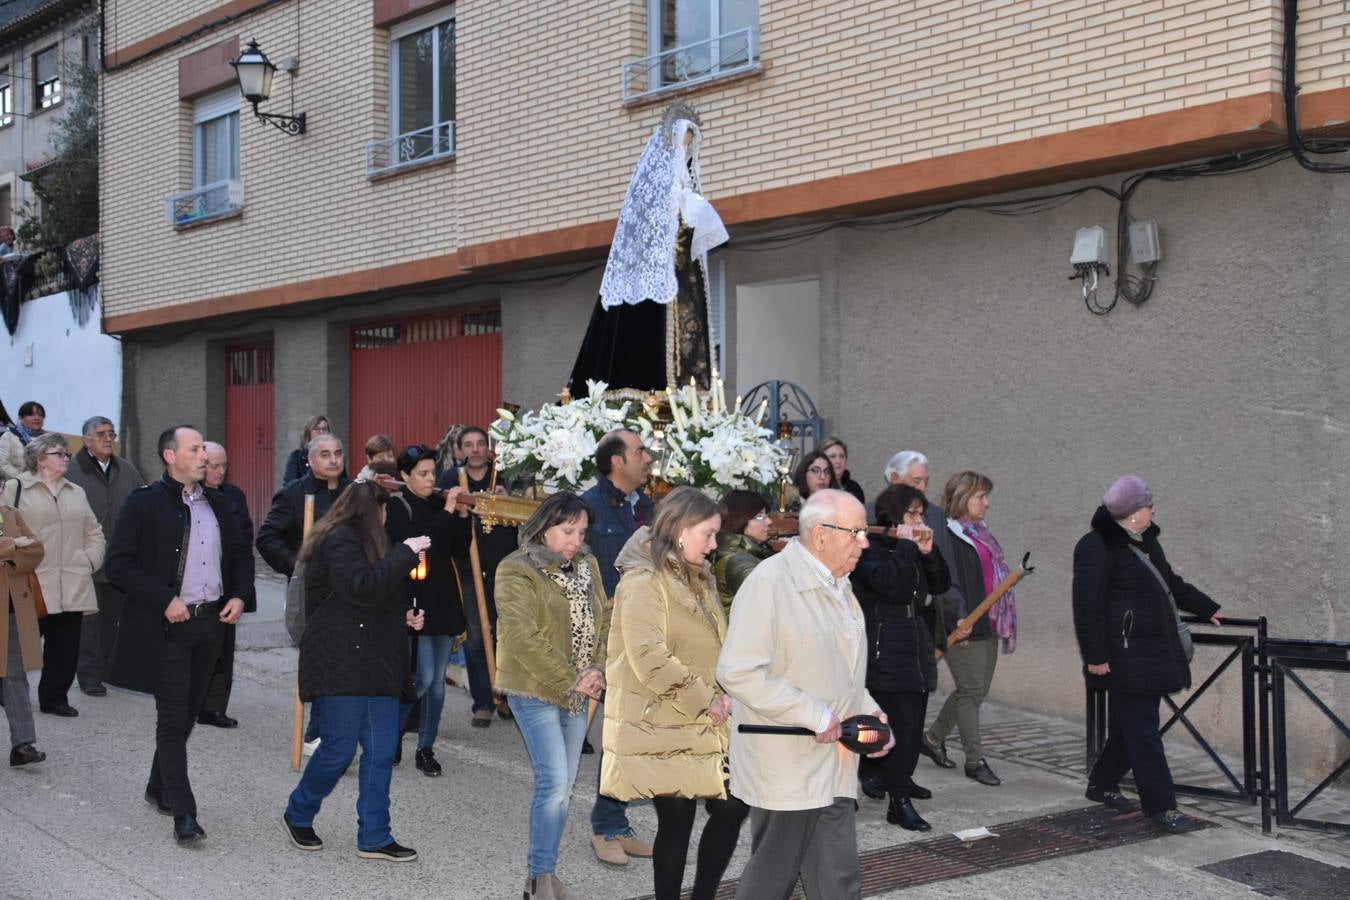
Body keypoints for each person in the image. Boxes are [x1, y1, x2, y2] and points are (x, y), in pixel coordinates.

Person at [717, 489, 893, 900]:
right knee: (770, 880)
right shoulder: (770, 583)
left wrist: (872, 714)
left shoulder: (841, 587)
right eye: (856, 532)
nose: (864, 542)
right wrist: (814, 715)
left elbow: (841, 673)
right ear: (820, 535)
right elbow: (737, 671)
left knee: (838, 879)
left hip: (834, 760)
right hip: (787, 761)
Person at [105, 426, 254, 845]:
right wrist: (163, 600)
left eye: (205, 448)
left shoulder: (221, 503)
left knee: (188, 713)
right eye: (195, 449)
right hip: (169, 626)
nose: (204, 455)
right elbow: (119, 564)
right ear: (171, 456)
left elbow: (243, 554)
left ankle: (157, 785)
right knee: (172, 719)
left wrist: (241, 595)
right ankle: (184, 814)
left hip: (211, 625)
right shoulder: (145, 504)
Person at [601, 487, 748, 900]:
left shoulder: (695, 574)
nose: (715, 544)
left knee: (733, 805)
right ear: (682, 530)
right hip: (663, 718)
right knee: (677, 818)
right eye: (709, 534)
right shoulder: (643, 579)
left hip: (705, 719)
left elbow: (715, 642)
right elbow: (648, 655)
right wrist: (706, 698)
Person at [282, 481, 430, 862]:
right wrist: (404, 553)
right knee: (339, 748)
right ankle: (298, 812)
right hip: (341, 660)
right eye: (383, 512)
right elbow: (360, 589)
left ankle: (375, 836)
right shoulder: (339, 539)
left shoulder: (361, 542)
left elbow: (372, 598)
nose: (386, 520)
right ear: (372, 511)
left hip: (375, 662)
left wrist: (404, 617)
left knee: (381, 752)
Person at [1073, 475, 1222, 831]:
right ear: (1134, 512)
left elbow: (1170, 583)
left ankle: (1102, 783)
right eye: (1148, 505)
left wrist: (1207, 608)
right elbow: (1087, 605)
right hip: (1123, 655)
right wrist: (1095, 656)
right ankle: (1161, 807)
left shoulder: (1147, 543)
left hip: (1152, 651)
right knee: (1144, 733)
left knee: (1131, 727)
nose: (1153, 510)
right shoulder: (1096, 546)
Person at [495, 492, 611, 900]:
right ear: (544, 526)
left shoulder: (588, 565)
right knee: (554, 782)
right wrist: (571, 677)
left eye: (581, 532)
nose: (575, 540)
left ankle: (544, 873)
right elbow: (519, 634)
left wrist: (597, 667)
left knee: (564, 787)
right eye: (567, 531)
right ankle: (539, 877)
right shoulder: (516, 569)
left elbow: (604, 617)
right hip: (535, 688)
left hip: (578, 692)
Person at [852, 484, 951, 831]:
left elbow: (940, 585)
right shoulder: (870, 546)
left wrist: (929, 552)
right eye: (912, 513)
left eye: (921, 513)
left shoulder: (910, 547)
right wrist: (908, 546)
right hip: (884, 646)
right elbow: (888, 584)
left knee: (912, 725)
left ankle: (899, 783)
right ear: (894, 514)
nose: (919, 519)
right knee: (893, 724)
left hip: (916, 643)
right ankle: (896, 798)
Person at [579, 428, 654, 865]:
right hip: (601, 640)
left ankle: (614, 822)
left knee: (628, 734)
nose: (648, 457)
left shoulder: (645, 506)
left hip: (640, 635)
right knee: (600, 736)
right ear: (616, 462)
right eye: (640, 451)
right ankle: (604, 827)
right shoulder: (587, 507)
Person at [257, 432, 350, 752]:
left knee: (345, 665)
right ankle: (316, 733)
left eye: (338, 453)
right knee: (322, 664)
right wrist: (296, 566)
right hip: (313, 596)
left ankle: (333, 731)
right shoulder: (295, 494)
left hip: (350, 592)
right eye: (325, 455)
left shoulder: (354, 494)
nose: (334, 460)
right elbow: (267, 537)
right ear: (309, 460)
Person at [4, 433, 105, 718]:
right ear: (40, 459)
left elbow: (93, 531)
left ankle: (54, 698)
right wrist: (18, 553)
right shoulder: (16, 488)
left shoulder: (76, 491)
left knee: (64, 647)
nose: (65, 458)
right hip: (32, 581)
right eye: (59, 453)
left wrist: (89, 560)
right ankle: (8, 693)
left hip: (72, 580)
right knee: (20, 646)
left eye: (66, 454)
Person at [921, 470, 1011, 787]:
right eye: (980, 497)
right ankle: (976, 761)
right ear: (962, 498)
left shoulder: (979, 531)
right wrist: (958, 618)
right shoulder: (947, 534)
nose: (986, 503)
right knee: (972, 692)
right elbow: (945, 583)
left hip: (986, 620)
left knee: (973, 690)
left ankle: (932, 739)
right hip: (960, 623)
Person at [384, 444, 468, 775]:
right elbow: (422, 547)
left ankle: (425, 748)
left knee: (436, 684)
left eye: (433, 472)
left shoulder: (438, 503)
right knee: (421, 678)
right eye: (422, 474)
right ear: (404, 476)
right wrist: (448, 512)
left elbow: (459, 549)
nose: (430, 479)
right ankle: (391, 739)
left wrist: (461, 518)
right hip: (415, 599)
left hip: (444, 597)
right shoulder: (397, 506)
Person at [437, 425, 516, 728]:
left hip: (504, 566)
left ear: (488, 447)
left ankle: (507, 697)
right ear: (460, 449)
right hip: (468, 567)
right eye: (468, 444)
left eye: (480, 443)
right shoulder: (450, 479)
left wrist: (507, 500)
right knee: (475, 636)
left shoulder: (504, 477)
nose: (475, 449)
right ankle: (483, 702)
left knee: (506, 634)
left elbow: (524, 516)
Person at [64, 416, 144, 698]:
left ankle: (105, 668)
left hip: (120, 559)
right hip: (84, 557)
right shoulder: (71, 470)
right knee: (89, 621)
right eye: (101, 434)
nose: (108, 438)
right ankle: (88, 675)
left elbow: (141, 505)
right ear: (87, 440)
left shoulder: (127, 469)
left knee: (112, 618)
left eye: (111, 433)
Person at [197, 442, 253, 728]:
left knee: (222, 649)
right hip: (195, 588)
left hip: (225, 585)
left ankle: (213, 707)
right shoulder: (189, 496)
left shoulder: (234, 496)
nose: (219, 472)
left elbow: (245, 544)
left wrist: (242, 592)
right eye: (213, 466)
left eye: (223, 466)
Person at [1, 494, 46, 766]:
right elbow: (20, 546)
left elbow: (36, 549)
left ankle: (22, 744)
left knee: (14, 675)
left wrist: (10, 554)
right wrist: (12, 545)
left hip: (11, 608)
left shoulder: (11, 513)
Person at [708, 489, 773, 612]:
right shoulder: (738, 561)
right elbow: (772, 602)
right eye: (760, 516)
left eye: (766, 515)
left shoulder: (747, 550)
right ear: (739, 519)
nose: (769, 521)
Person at [1, 400, 46, 481]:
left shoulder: (50, 439)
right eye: (31, 415)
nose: (37, 418)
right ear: (21, 417)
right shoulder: (9, 436)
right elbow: (2, 464)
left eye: (40, 415)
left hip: (44, 486)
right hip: (16, 486)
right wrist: (23, 479)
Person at [282, 415, 333, 486]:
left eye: (324, 429)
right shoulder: (296, 457)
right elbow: (289, 487)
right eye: (316, 429)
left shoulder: (335, 457)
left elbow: (343, 487)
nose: (321, 432)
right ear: (309, 433)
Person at [786, 448, 840, 512]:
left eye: (827, 471)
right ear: (803, 473)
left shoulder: (839, 506)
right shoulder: (791, 506)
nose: (823, 477)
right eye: (816, 471)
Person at [818, 436, 864, 504]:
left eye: (842, 456)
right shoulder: (816, 487)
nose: (838, 461)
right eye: (832, 456)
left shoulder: (854, 488)